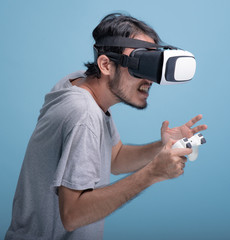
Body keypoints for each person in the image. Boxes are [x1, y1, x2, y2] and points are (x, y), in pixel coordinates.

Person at [5, 13, 207, 240]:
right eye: (142, 65)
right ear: (105, 65)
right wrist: (152, 173)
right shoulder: (84, 113)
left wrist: (162, 147)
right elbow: (72, 215)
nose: (149, 80)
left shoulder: (78, 84)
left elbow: (115, 158)